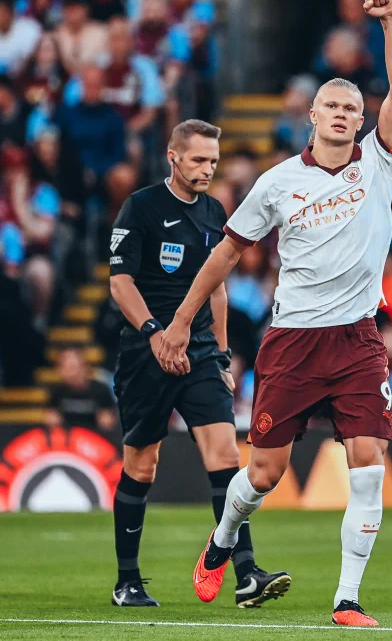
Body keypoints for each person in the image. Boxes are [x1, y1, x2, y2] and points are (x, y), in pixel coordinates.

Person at [159, 0, 392, 627]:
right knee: (265, 474)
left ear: (362, 120)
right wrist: (184, 318)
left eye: (351, 107)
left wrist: (389, 22)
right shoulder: (276, 182)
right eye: (330, 104)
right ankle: (220, 543)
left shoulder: (380, 162)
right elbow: (224, 257)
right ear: (311, 115)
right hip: (294, 340)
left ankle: (347, 599)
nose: (341, 113)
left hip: (357, 340)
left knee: (368, 463)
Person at [108, 119, 290, 608]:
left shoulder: (214, 212)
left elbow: (219, 289)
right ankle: (127, 581)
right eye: (198, 160)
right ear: (174, 157)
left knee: (225, 457)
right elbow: (120, 283)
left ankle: (247, 572)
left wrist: (224, 355)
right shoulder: (141, 207)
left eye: (213, 160)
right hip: (145, 351)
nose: (208, 168)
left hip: (201, 351)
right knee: (142, 465)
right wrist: (154, 333)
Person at [46, 347, 117, 431]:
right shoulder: (57, 391)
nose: (72, 373)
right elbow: (51, 417)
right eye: (67, 368)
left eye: (74, 367)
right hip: (67, 438)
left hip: (94, 437)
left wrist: (106, 421)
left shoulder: (101, 390)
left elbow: (109, 421)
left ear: (85, 367)